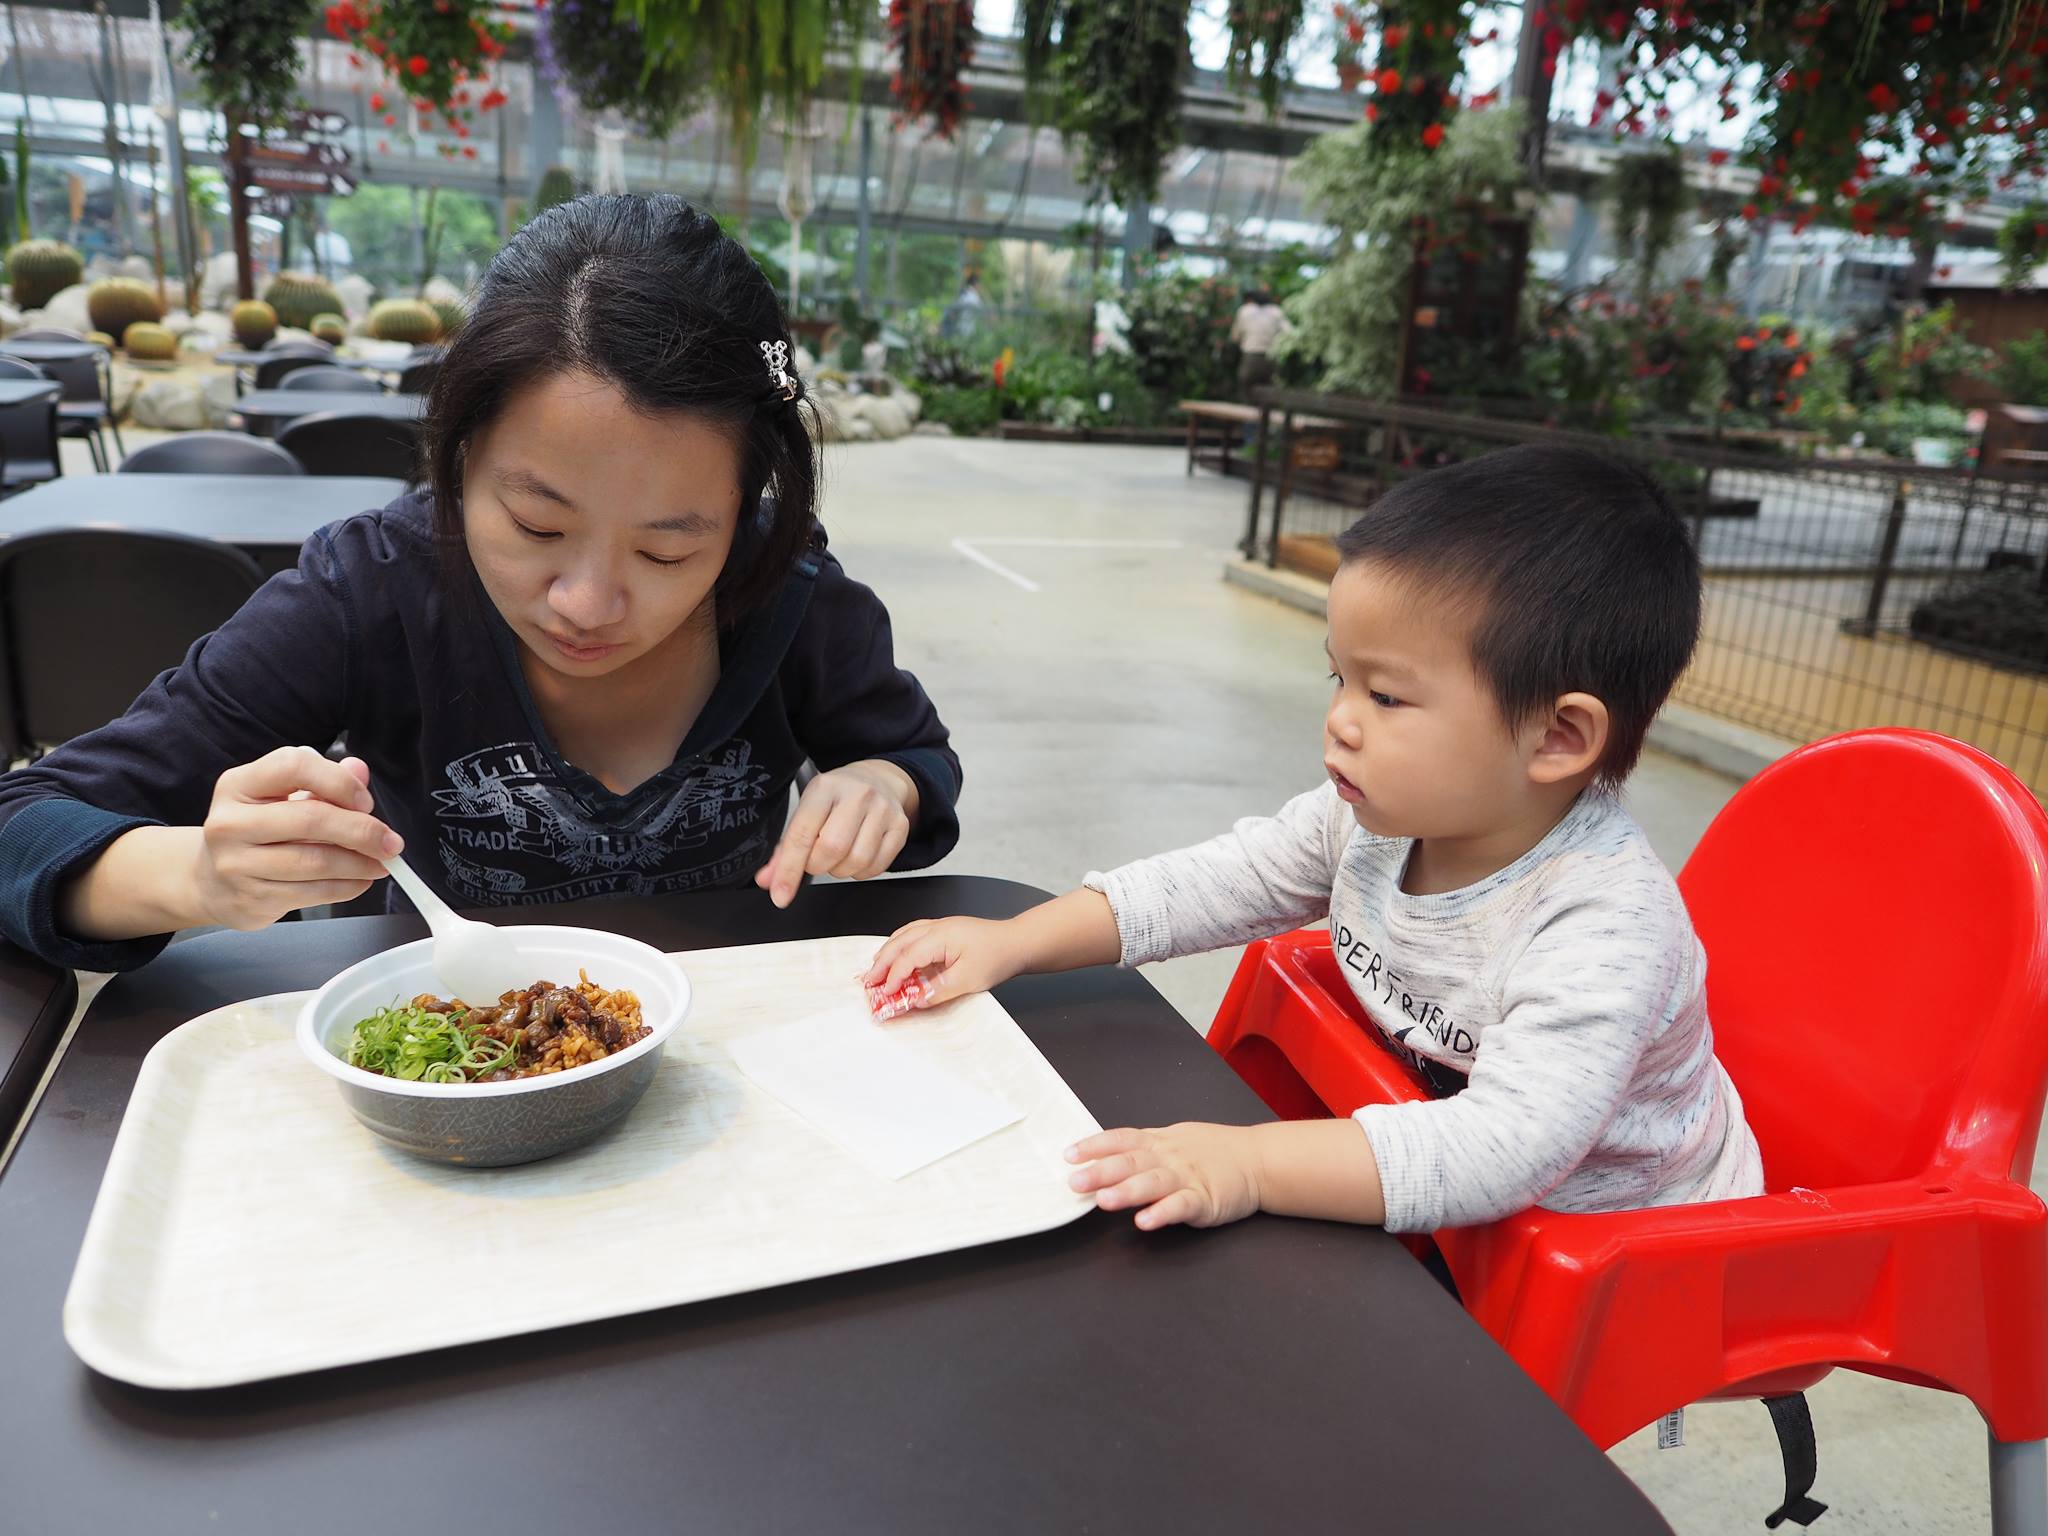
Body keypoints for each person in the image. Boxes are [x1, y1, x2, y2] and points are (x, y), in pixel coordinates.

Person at [0, 193, 962, 973]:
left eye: (667, 552)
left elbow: (914, 757)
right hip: (448, 1063)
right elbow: (21, 824)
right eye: (537, 525)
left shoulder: (794, 597)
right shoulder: (370, 592)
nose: (586, 603)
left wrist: (882, 784)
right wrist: (202, 877)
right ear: (460, 458)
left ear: (748, 503)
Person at [865, 444, 1763, 1236]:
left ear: (1558, 737)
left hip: (1621, 1235)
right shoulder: (1372, 822)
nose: (1340, 720)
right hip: (1435, 1156)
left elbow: (1500, 1150)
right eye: (1340, 678)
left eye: (1387, 696)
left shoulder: (1602, 925)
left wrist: (1249, 1166)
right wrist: (1015, 941)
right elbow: (1215, 882)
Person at [1229, 286, 1291, 398]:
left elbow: (1235, 337)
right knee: (1272, 391)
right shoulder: (1276, 311)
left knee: (1245, 388)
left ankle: (1247, 407)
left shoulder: (1245, 310)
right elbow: (1289, 333)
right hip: (1273, 356)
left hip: (1251, 356)